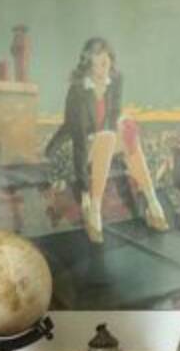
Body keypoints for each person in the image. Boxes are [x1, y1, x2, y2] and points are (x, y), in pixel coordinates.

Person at [45, 36, 168, 243]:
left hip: (101, 142)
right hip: (72, 147)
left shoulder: (116, 79)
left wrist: (117, 129)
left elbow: (113, 116)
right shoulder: (78, 91)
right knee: (108, 137)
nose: (104, 63)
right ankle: (94, 209)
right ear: (88, 63)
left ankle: (152, 202)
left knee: (125, 130)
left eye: (106, 57)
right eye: (97, 58)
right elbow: (79, 142)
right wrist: (84, 191)